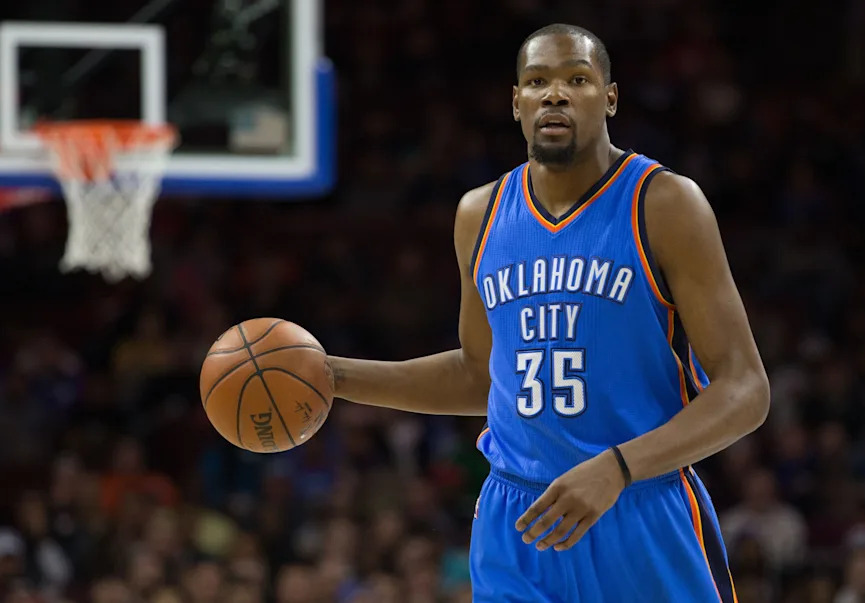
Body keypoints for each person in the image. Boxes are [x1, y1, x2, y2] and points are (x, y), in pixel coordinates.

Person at [328, 23, 769, 601]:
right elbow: (479, 377)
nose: (554, 94)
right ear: (517, 103)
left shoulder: (663, 204)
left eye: (577, 80)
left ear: (610, 97)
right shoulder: (478, 215)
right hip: (518, 520)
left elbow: (746, 388)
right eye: (537, 82)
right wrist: (330, 376)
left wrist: (618, 467)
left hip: (640, 508)